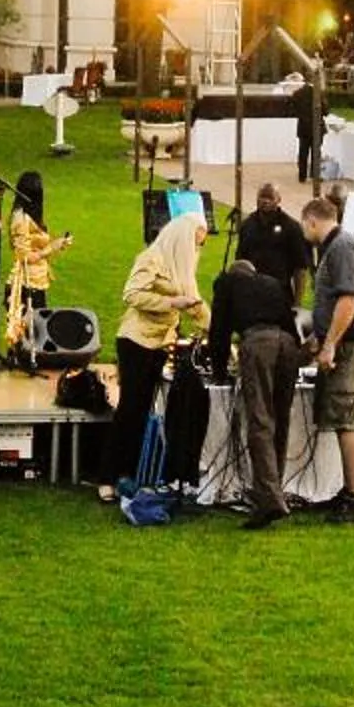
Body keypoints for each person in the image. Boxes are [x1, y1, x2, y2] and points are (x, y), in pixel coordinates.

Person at [104, 209, 207, 501]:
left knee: (148, 410)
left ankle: (135, 471)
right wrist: (172, 302)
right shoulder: (152, 258)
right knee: (131, 410)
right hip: (137, 341)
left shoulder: (181, 266)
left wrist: (219, 329)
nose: (198, 249)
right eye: (196, 243)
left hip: (162, 344)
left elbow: (197, 304)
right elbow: (132, 294)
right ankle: (110, 475)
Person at [295, 195, 354, 523]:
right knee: (341, 416)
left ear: (312, 220)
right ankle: (348, 492)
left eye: (304, 225)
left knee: (346, 419)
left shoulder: (342, 247)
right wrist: (318, 337)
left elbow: (348, 300)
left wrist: (329, 344)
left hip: (352, 346)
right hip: (342, 341)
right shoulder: (333, 247)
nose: (304, 231)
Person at [206, 256, 303, 528]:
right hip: (287, 345)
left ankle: (269, 498)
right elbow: (290, 319)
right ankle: (274, 488)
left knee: (260, 420)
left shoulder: (225, 283)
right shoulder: (272, 283)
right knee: (281, 418)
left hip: (258, 343)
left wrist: (219, 370)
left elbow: (219, 331)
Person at [6, 170, 71, 360]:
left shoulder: (30, 217)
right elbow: (23, 255)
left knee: (37, 332)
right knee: (25, 335)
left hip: (37, 281)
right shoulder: (21, 219)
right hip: (25, 283)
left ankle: (27, 360)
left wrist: (59, 245)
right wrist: (52, 247)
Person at [237, 182, 309, 290]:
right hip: (251, 290)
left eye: (270, 197)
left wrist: (297, 303)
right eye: (262, 197)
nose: (265, 201)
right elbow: (240, 261)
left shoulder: (291, 227)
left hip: (279, 291)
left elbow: (300, 268)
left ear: (279, 200)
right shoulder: (247, 224)